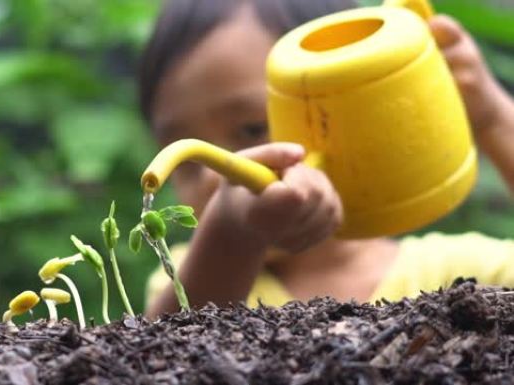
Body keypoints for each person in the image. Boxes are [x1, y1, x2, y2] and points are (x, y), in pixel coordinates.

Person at [138, 0, 514, 318]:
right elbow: (158, 352)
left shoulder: (461, 273)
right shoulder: (193, 276)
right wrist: (232, 234)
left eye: (252, 130)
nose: (213, 178)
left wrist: (494, 119)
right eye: (186, 159)